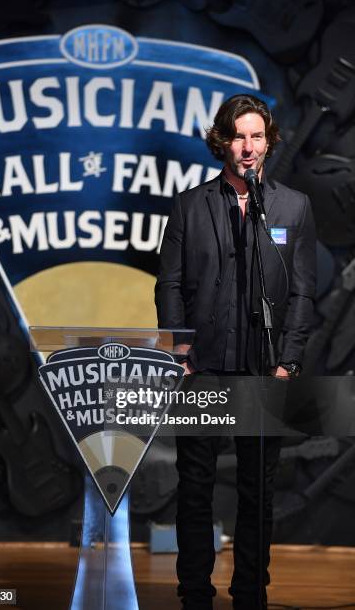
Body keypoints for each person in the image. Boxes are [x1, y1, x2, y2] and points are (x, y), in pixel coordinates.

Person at [155, 94, 316, 610]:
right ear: (222, 141)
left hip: (265, 367)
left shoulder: (292, 206)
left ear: (268, 142)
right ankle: (194, 594)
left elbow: (302, 292)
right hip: (200, 367)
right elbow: (170, 285)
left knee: (257, 490)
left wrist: (287, 361)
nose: (248, 148)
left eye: (257, 137)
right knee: (195, 486)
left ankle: (251, 593)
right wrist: (180, 349)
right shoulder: (189, 205)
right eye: (238, 137)